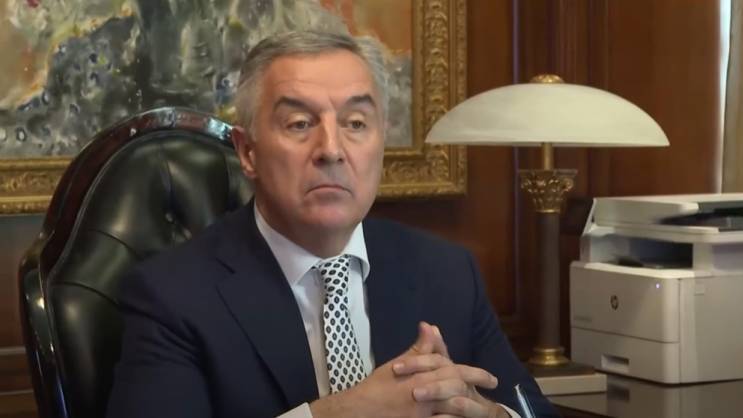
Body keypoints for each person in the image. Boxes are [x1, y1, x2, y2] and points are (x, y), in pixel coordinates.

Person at [106, 30, 558, 418]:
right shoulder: (173, 296)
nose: (331, 149)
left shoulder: (447, 272)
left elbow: (531, 407)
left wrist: (489, 413)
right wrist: (344, 412)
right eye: (300, 123)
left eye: (355, 123)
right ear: (248, 152)